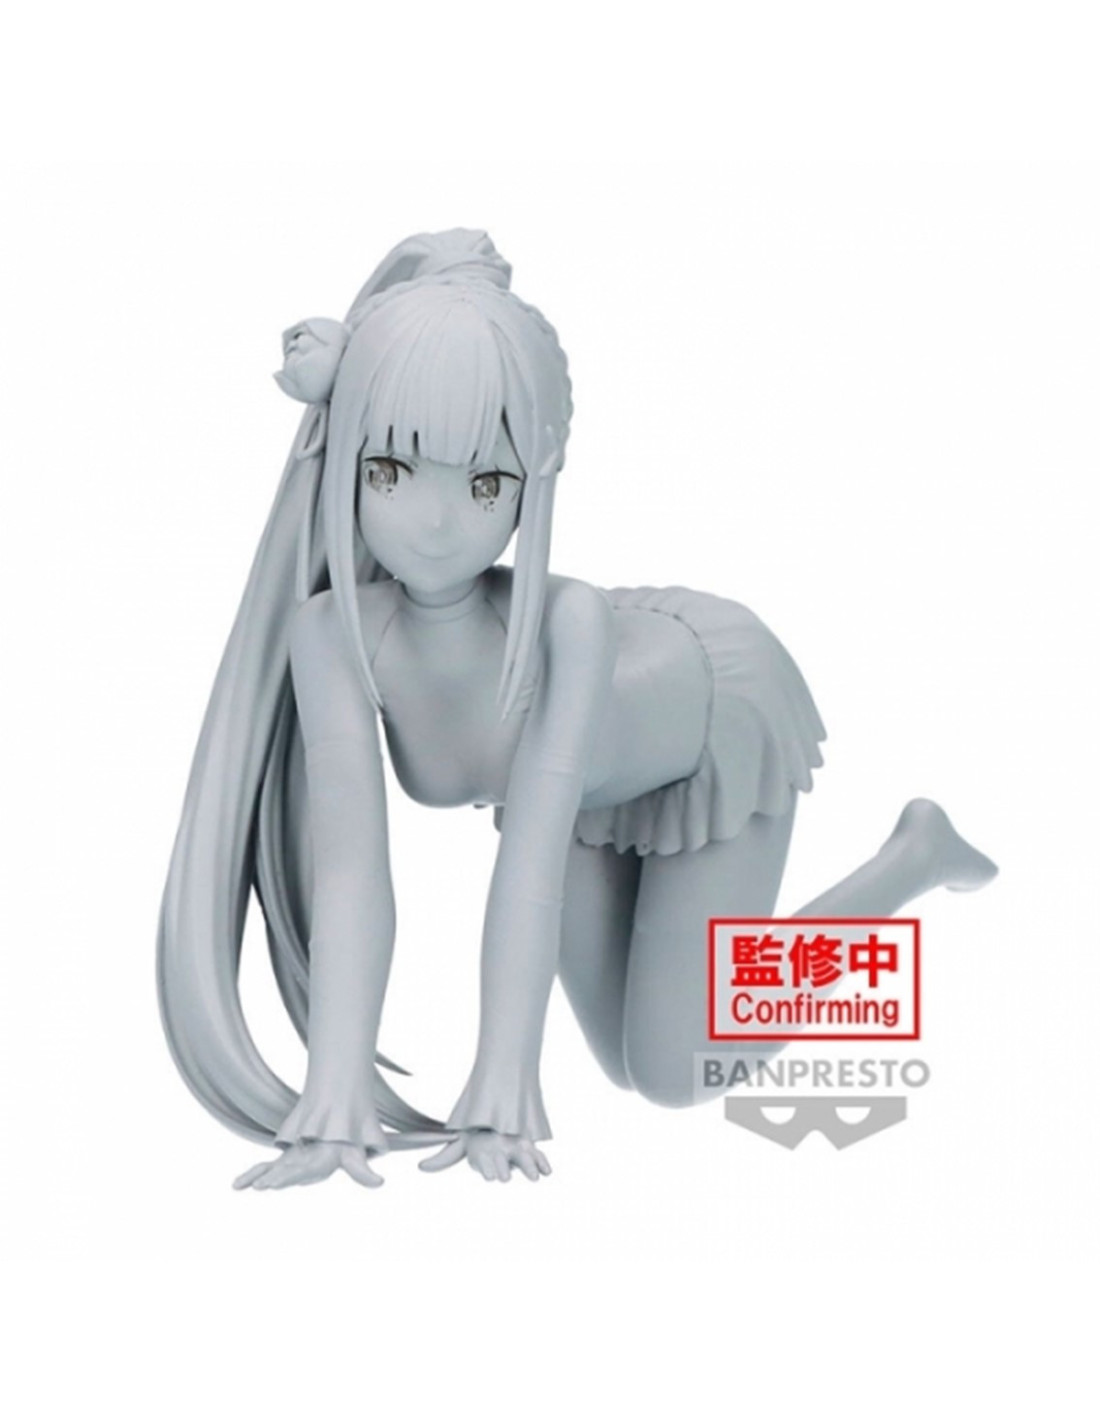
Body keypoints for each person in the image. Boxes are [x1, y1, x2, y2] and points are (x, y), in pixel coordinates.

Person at [158, 229, 996, 1190]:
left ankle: (911, 859)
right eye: (390, 470)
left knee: (680, 1070)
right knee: (628, 1067)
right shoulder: (331, 633)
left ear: (537, 477)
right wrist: (334, 1096)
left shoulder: (567, 624)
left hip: (708, 720)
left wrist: (503, 1084)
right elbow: (350, 873)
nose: (435, 522)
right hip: (585, 781)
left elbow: (528, 863)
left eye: (485, 483)